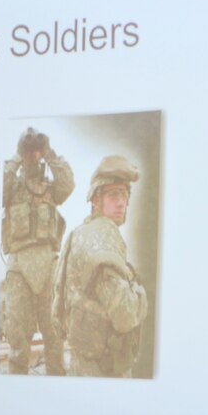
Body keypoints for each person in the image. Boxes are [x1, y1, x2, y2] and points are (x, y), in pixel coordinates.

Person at [52, 155, 148, 378]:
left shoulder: (80, 233)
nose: (121, 202)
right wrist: (141, 294)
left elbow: (58, 308)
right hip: (103, 369)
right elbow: (125, 316)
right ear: (96, 200)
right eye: (114, 194)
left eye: (124, 195)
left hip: (81, 363)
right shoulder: (103, 235)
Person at [0, 128, 73, 375]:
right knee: (18, 343)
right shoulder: (13, 188)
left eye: (34, 152)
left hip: (48, 265)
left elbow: (68, 184)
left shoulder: (51, 189)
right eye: (28, 151)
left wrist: (49, 152)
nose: (32, 156)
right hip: (19, 267)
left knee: (54, 340)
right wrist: (17, 155)